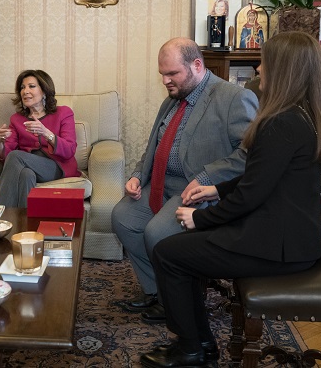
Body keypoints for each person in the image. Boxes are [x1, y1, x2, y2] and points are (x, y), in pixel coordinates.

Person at [141, 31, 321, 367]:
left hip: (279, 247)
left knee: (169, 253)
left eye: (264, 62)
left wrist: (199, 218)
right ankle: (200, 344)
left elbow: (252, 194)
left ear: (284, 71)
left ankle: (191, 348)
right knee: (178, 251)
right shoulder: (303, 114)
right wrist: (217, 190)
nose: (259, 69)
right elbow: (261, 179)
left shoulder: (281, 123)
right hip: (290, 237)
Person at [111, 37, 258, 323]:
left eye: (172, 74)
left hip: (198, 193)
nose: (166, 80)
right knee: (123, 218)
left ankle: (175, 304)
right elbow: (154, 145)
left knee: (156, 233)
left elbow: (250, 153)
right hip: (160, 185)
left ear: (197, 65)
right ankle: (157, 289)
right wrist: (137, 176)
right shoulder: (173, 99)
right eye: (162, 75)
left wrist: (207, 177)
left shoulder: (233, 97)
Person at [0, 69, 79, 207]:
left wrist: (46, 133)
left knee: (16, 157)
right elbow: (8, 156)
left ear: (44, 90)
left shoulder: (63, 113)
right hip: (29, 166)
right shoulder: (16, 119)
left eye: (31, 86)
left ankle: (0, 215)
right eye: (22, 87)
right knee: (26, 175)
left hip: (56, 166)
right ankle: (25, 224)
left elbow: (69, 149)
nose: (25, 91)